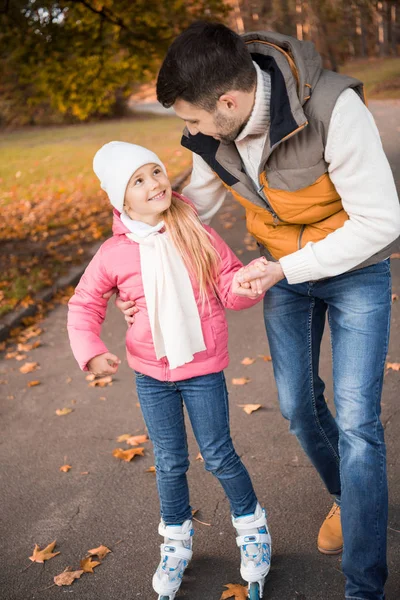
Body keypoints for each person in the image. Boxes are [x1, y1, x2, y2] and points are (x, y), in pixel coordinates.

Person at [144, 21, 399, 600]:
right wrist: (137, 254)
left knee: (358, 424)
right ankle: (352, 499)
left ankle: (364, 587)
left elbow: (382, 222)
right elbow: (198, 209)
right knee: (297, 407)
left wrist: (287, 267)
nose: (190, 132)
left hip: (354, 270)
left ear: (228, 102)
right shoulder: (216, 135)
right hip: (283, 273)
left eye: (192, 120)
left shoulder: (335, 107)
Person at [67, 141, 272, 600]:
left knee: (218, 454)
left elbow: (227, 283)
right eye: (137, 181)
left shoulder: (195, 230)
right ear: (122, 200)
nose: (154, 184)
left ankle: (253, 529)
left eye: (156, 172)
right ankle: (176, 540)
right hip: (150, 374)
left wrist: (244, 284)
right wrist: (90, 348)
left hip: (201, 368)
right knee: (170, 461)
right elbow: (84, 302)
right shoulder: (114, 254)